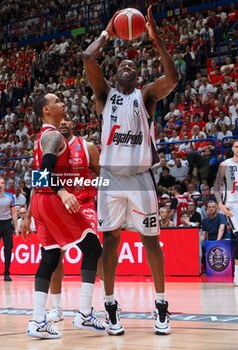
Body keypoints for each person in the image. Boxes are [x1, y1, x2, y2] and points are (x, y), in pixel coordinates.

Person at [83, 5, 179, 336]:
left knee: (151, 242)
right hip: (109, 178)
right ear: (116, 73)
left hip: (140, 178)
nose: (127, 67)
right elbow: (87, 58)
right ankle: (110, 306)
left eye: (132, 66)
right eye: (122, 65)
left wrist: (156, 40)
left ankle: (162, 306)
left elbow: (173, 78)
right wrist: (108, 33)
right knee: (110, 242)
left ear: (137, 76)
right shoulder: (104, 94)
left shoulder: (146, 95)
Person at [21, 93, 106, 339]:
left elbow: (38, 176)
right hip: (51, 200)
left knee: (49, 257)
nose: (62, 104)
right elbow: (46, 171)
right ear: (46, 110)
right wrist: (62, 191)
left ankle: (38, 321)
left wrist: (30, 212)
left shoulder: (42, 137)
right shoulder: (54, 135)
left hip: (39, 201)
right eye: (57, 101)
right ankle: (84, 313)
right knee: (93, 248)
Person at [46, 115, 103, 323]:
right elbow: (41, 177)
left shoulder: (87, 147)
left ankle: (107, 300)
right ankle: (56, 307)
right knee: (55, 255)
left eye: (67, 119)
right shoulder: (50, 147)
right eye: (60, 119)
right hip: (59, 205)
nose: (62, 122)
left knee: (95, 252)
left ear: (73, 124)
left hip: (85, 204)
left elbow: (102, 177)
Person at [213, 139, 238, 285]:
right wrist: (220, 205)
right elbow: (216, 187)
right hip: (232, 206)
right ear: (233, 148)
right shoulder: (225, 165)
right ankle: (237, 275)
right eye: (236, 146)